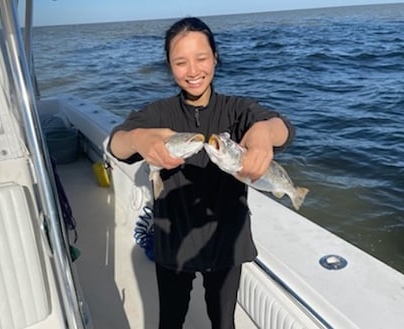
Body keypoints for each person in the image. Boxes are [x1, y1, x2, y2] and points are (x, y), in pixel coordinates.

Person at [108, 17, 295, 329]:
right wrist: (139, 139)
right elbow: (118, 143)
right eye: (180, 62)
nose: (193, 71)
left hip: (227, 244)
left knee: (223, 322)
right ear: (169, 65)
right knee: (170, 320)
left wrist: (263, 134)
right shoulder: (157, 114)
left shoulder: (237, 110)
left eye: (202, 58)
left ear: (216, 58)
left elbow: (283, 128)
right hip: (173, 245)